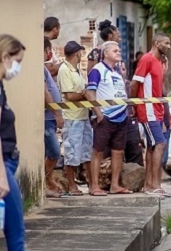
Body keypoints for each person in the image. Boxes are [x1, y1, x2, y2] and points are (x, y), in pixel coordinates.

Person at [0, 34, 71, 251]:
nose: (18, 67)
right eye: (17, 61)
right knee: (16, 234)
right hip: (3, 167)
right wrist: (2, 177)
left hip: (8, 164)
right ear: (5, 56)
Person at [86, 41, 131, 196]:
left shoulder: (116, 72)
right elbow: (90, 93)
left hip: (121, 118)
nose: (119, 52)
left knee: (118, 152)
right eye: (115, 50)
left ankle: (115, 185)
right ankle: (94, 186)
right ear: (105, 53)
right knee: (98, 151)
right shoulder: (97, 70)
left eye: (119, 50)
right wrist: (99, 114)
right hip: (105, 118)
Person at [130, 32, 171, 197]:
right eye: (166, 43)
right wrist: (134, 104)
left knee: (152, 146)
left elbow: (157, 86)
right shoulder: (147, 59)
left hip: (157, 110)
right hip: (148, 109)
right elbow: (135, 83)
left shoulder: (158, 62)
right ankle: (155, 185)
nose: (169, 47)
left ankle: (149, 185)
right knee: (160, 144)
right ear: (156, 43)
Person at [57, 41, 93, 196]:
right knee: (71, 153)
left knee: (86, 152)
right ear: (77, 53)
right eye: (80, 53)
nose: (81, 56)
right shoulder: (64, 69)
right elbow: (70, 95)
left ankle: (92, 185)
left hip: (83, 116)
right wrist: (84, 94)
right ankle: (72, 186)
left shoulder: (76, 70)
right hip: (72, 118)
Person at [43, 38, 64, 198]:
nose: (50, 54)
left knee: (51, 152)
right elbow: (44, 92)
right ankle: (46, 182)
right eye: (47, 50)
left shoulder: (43, 68)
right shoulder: (39, 69)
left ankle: (47, 182)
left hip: (49, 117)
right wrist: (57, 114)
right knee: (54, 152)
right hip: (46, 117)